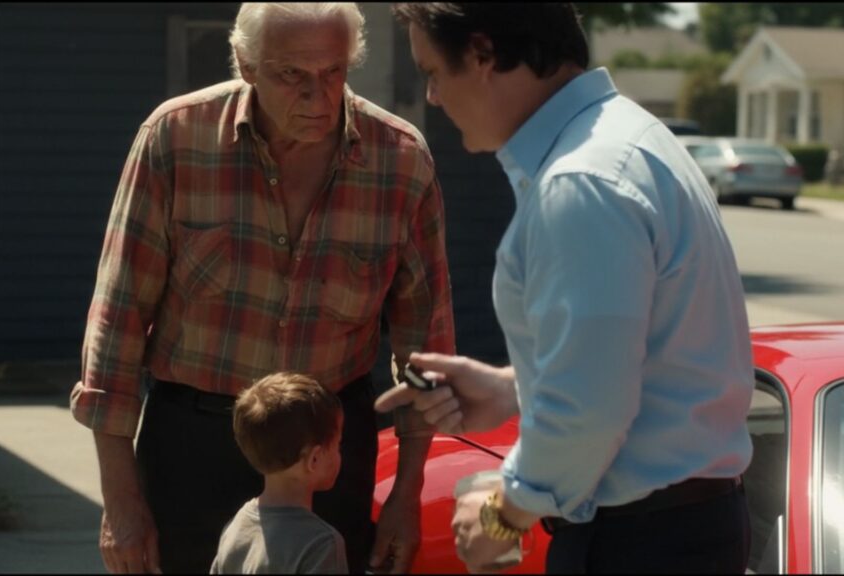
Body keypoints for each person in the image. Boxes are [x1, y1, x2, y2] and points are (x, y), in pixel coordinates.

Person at [70, 3, 456, 574]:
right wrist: (120, 500)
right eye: (292, 74)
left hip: (326, 451)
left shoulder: (400, 160)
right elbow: (116, 326)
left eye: (333, 72)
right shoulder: (175, 138)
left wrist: (407, 493)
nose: (318, 97)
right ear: (246, 65)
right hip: (194, 449)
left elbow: (426, 346)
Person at [376, 3, 753, 573]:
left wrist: (504, 514)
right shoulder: (625, 138)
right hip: (674, 530)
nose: (431, 97)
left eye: (432, 72)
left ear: (482, 54)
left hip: (640, 543)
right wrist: (514, 390)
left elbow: (588, 413)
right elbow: (629, 368)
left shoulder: (582, 179)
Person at [211, 372, 348, 574]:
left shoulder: (236, 528)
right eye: (338, 445)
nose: (340, 452)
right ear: (314, 459)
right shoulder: (321, 544)